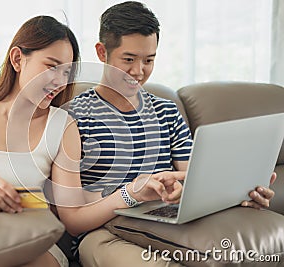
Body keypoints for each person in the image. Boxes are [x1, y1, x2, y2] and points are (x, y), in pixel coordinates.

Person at [0, 14, 182, 267]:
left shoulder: (62, 125)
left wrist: (130, 193)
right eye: (51, 67)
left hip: (31, 244)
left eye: (67, 73)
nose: (59, 82)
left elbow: (73, 220)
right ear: (17, 59)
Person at [67, 1, 277, 266]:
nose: (138, 72)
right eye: (128, 59)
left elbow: (195, 181)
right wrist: (131, 193)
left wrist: (240, 194)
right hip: (104, 231)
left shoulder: (166, 111)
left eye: (149, 60)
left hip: (168, 223)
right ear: (102, 52)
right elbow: (73, 219)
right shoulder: (74, 116)